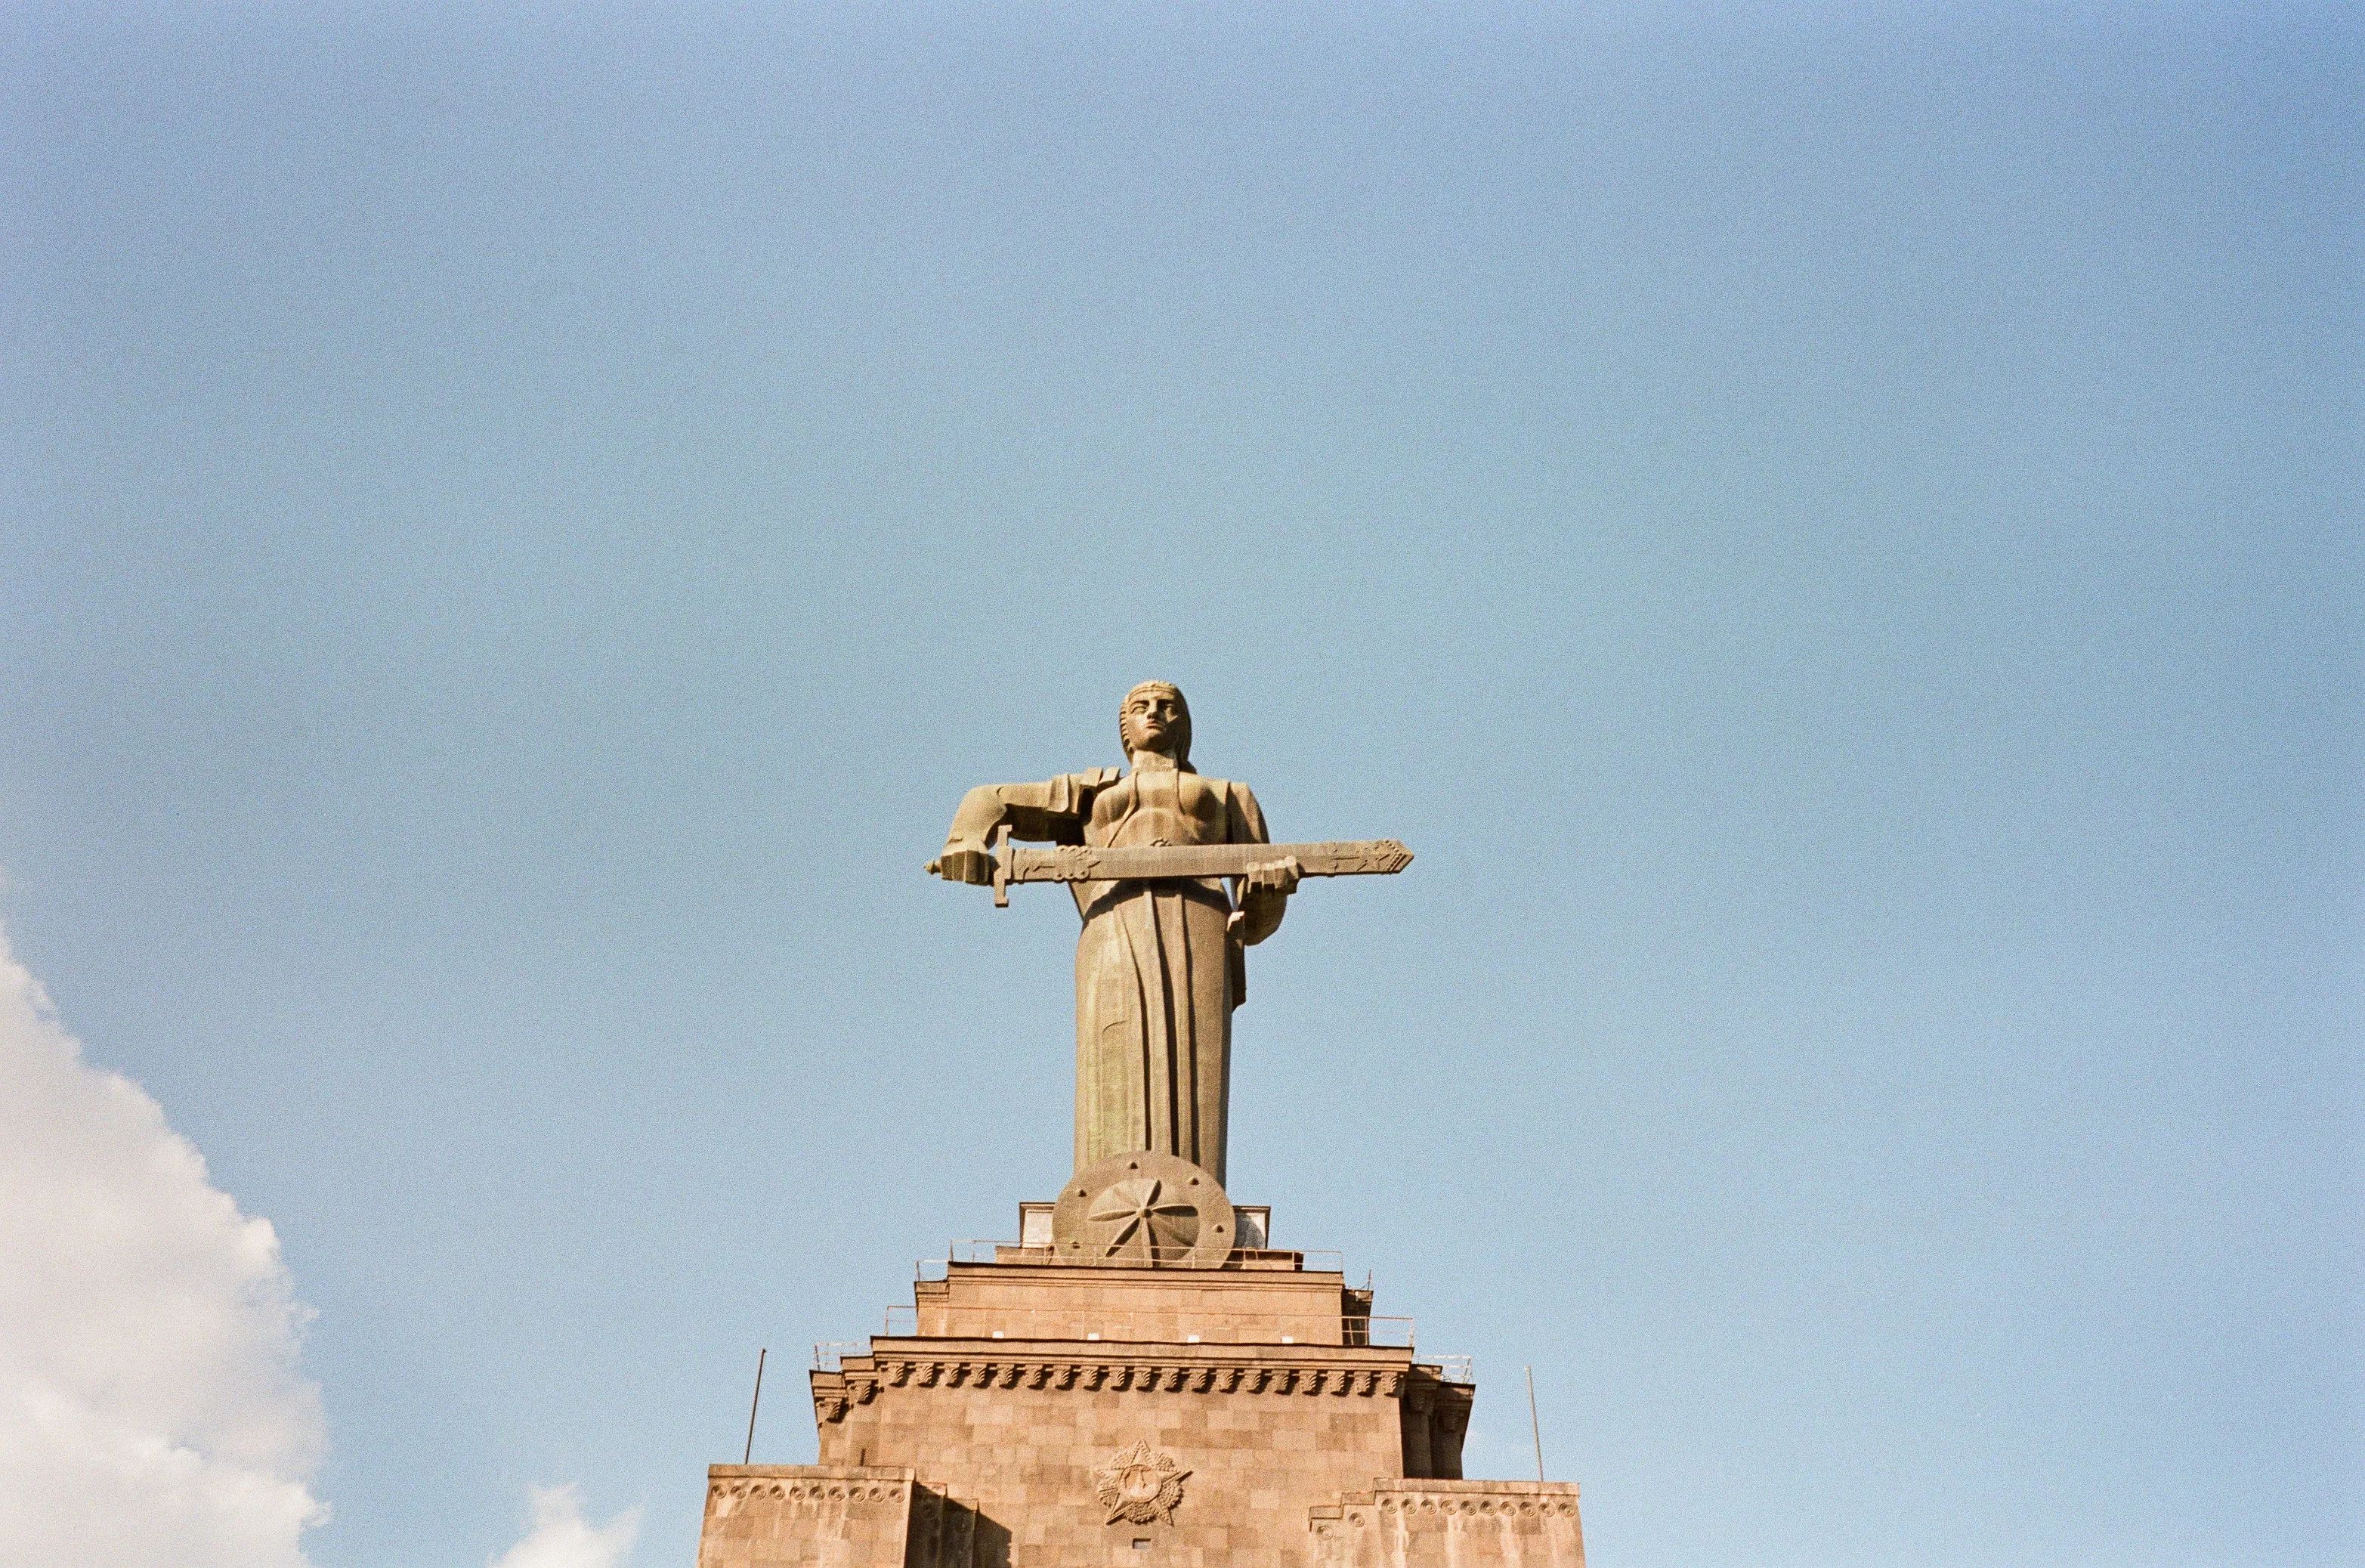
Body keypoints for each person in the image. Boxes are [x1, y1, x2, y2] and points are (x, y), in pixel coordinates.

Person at [933, 682, 1299, 1183]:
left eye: (1169, 707)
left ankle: (1195, 1190)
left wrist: (1270, 891)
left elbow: (1257, 922)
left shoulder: (1229, 794)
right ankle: (1102, 1189)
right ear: (1124, 728)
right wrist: (965, 840)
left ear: (1184, 725)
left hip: (1199, 925)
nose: (1155, 714)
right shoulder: (1093, 791)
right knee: (1112, 1049)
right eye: (1141, 707)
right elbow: (988, 799)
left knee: (1197, 1060)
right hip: (1113, 923)